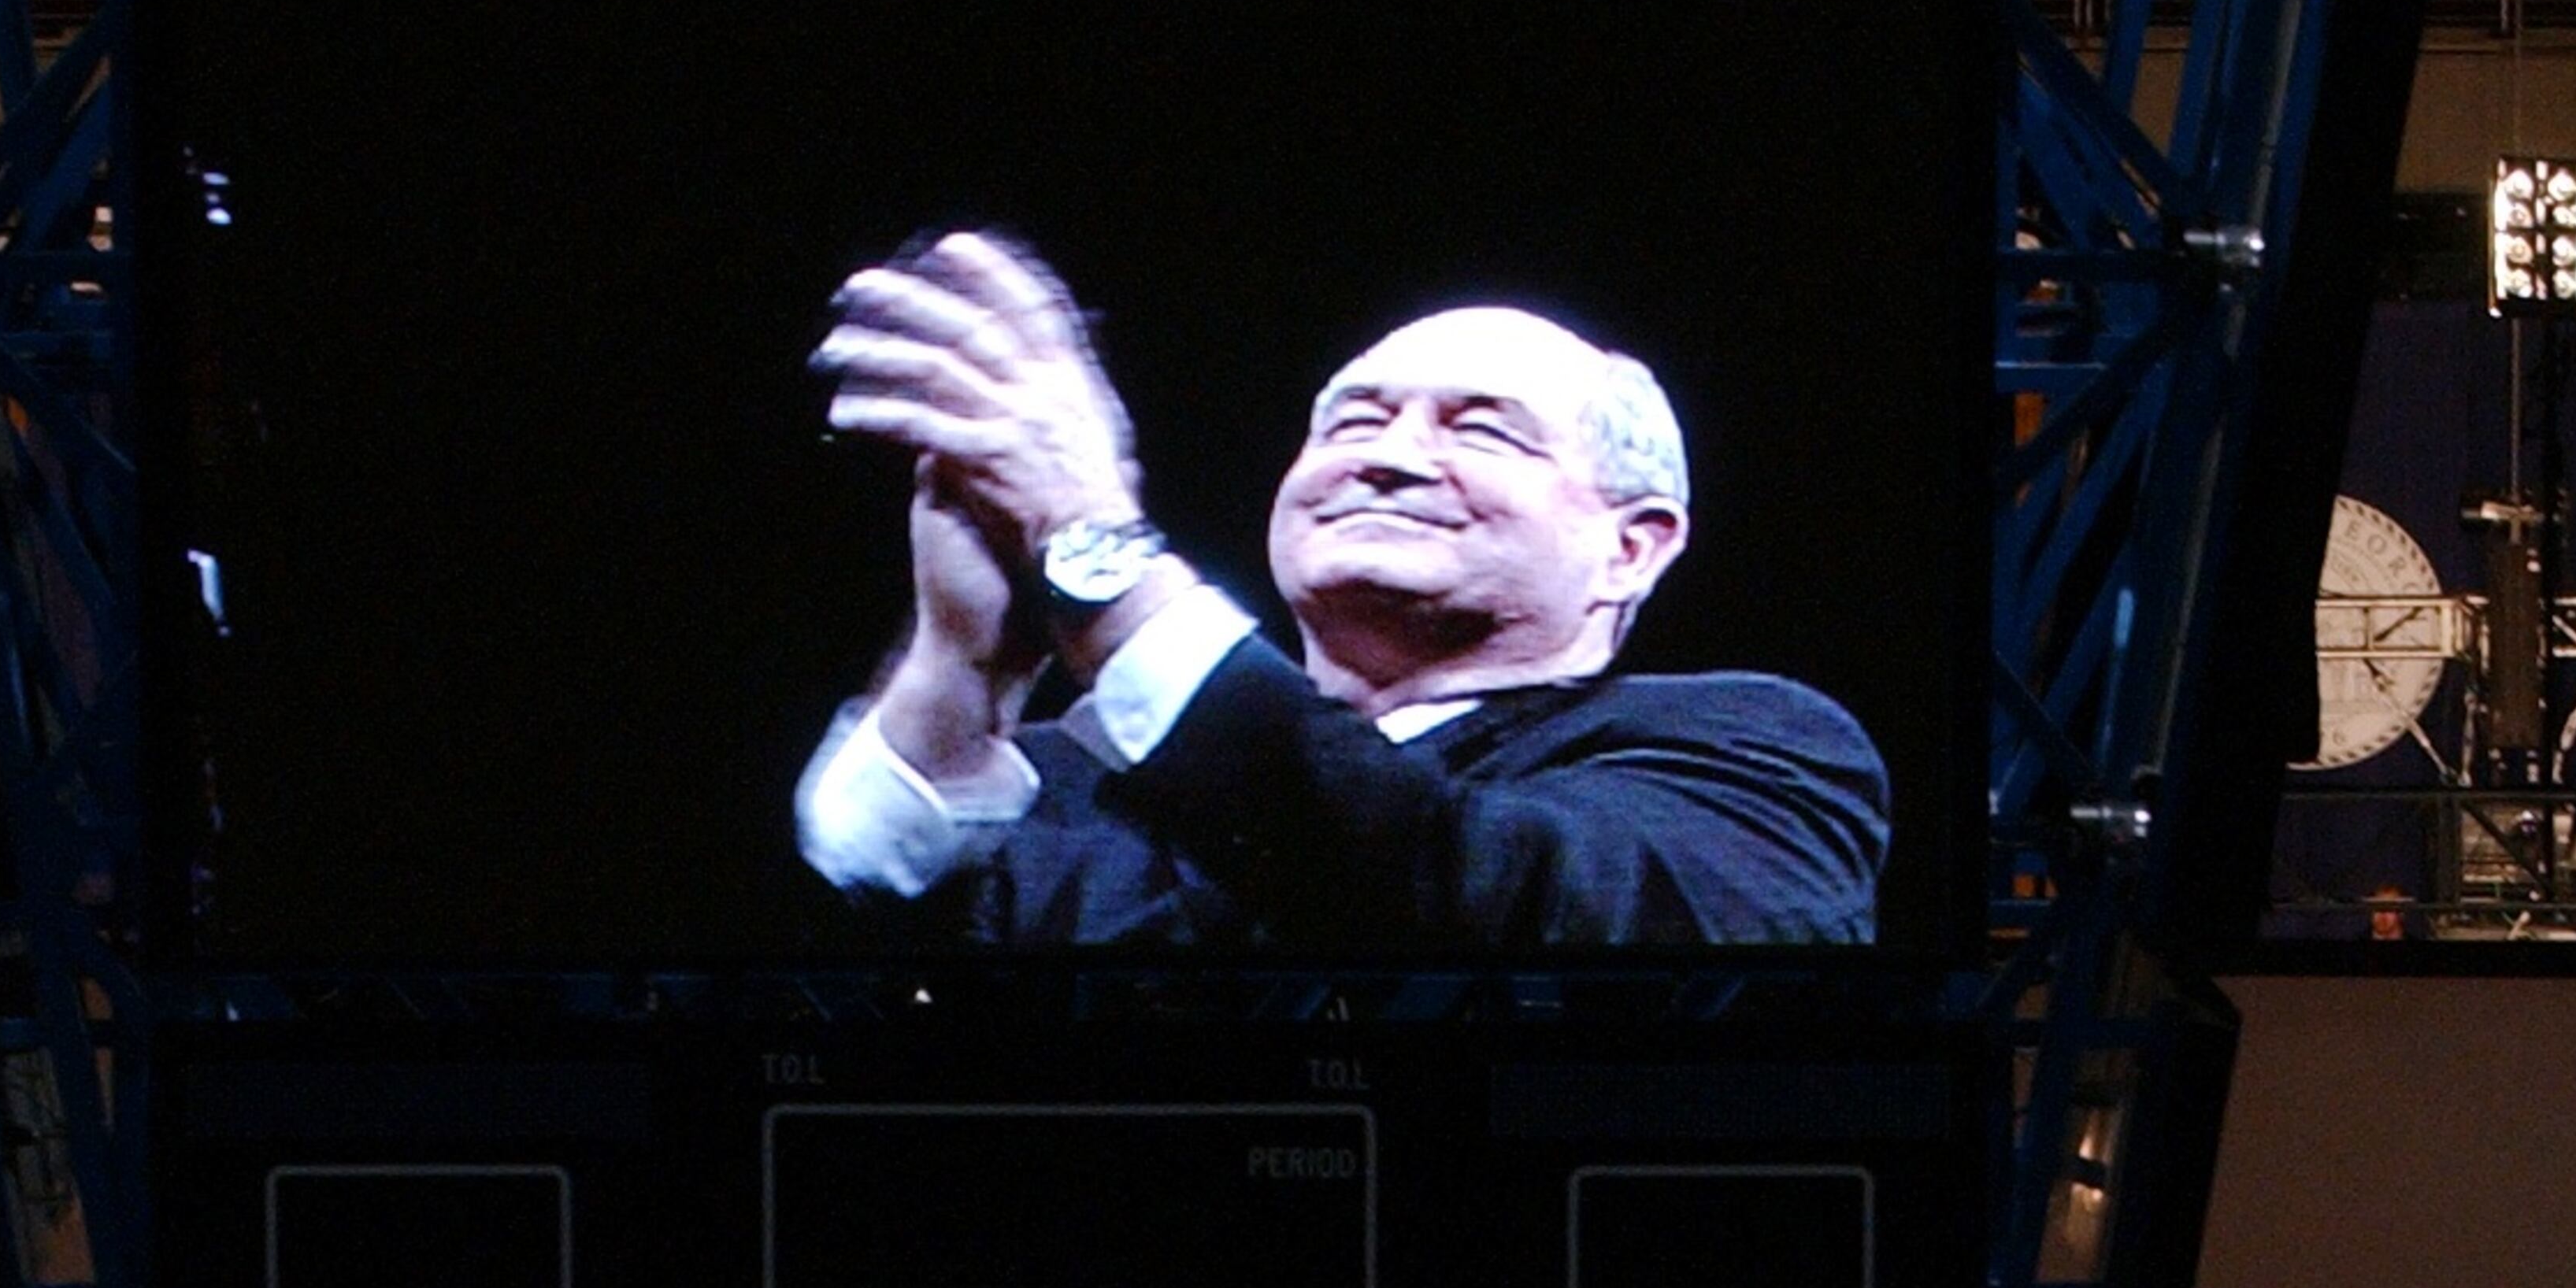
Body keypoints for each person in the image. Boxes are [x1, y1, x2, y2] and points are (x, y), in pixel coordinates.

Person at [797, 253, 1890, 948]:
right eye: (1353, 423)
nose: (1391, 458)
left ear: (1632, 546)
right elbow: (844, 936)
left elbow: (1465, 897)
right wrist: (958, 666)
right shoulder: (1095, 778)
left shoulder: (1759, 755)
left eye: (1480, 428)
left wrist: (1092, 550)